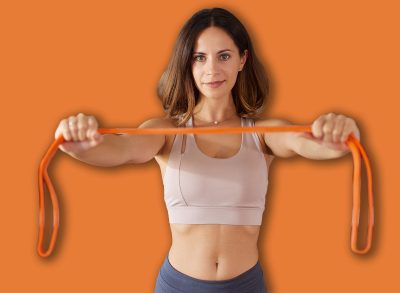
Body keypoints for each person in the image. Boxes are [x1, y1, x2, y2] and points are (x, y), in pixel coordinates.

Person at [54, 7, 361, 293]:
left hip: (247, 285)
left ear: (242, 60)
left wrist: (340, 136)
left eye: (223, 56)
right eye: (199, 57)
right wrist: (77, 144)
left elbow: (306, 143)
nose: (211, 69)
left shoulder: (263, 133)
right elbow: (120, 148)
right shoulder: (168, 132)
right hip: (178, 286)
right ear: (187, 63)